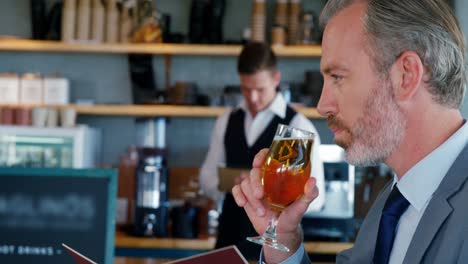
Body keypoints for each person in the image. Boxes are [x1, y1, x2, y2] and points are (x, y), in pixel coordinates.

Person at [232, 0, 468, 263]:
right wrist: (283, 240)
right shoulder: (391, 204)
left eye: (337, 77)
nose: (322, 106)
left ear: (406, 76)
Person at [199, 42, 325, 260]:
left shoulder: (298, 127)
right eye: (247, 89)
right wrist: (238, 184)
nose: (253, 97)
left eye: (260, 89)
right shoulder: (227, 121)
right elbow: (206, 179)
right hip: (226, 246)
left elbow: (318, 198)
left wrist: (272, 192)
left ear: (276, 79)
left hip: (276, 252)